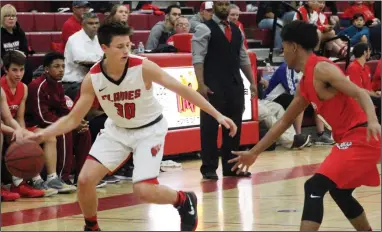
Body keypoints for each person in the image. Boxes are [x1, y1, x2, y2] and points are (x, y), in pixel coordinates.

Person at [26, 22, 237, 231]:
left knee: (143, 190)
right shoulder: (93, 78)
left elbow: (183, 90)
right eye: (120, 46)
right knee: (85, 180)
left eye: (128, 45)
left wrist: (217, 114)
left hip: (149, 130)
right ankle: (91, 227)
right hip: (117, 130)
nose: (126, 50)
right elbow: (73, 119)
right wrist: (45, 133)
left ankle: (183, 199)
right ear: (104, 48)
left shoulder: (142, 66)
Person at [229, 20, 380, 231]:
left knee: (314, 185)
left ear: (294, 46)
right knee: (339, 191)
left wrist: (373, 120)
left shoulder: (323, 68)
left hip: (361, 135)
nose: (282, 51)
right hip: (348, 138)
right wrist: (254, 152)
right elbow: (283, 121)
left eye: (283, 46)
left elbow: (361, 92)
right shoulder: (304, 83)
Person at [192, 0, 256, 180]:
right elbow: (198, 58)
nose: (223, 7)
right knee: (210, 127)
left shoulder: (237, 30)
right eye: (220, 4)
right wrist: (201, 84)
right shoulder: (204, 28)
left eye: (226, 4)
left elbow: (243, 58)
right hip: (213, 84)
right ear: (213, 8)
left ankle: (231, 167)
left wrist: (252, 82)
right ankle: (209, 168)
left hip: (235, 84)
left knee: (234, 127)